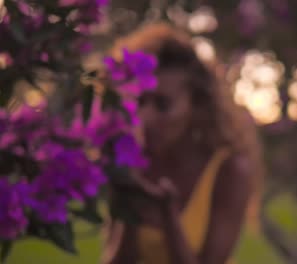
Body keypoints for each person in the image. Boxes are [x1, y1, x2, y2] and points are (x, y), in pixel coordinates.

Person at [101, 23, 263, 264]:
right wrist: (130, 208)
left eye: (162, 105)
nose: (144, 117)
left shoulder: (230, 170)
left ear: (197, 107)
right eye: (139, 101)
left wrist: (168, 216)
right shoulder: (130, 161)